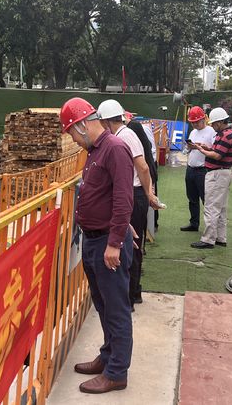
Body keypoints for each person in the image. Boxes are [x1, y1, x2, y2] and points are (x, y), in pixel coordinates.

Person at [60, 97, 134, 394]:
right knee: (103, 305)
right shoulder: (95, 150)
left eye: (71, 133)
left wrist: (115, 242)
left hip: (107, 242)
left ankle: (117, 372)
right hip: (94, 239)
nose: (73, 140)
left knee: (116, 308)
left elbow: (123, 198)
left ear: (81, 125)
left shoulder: (114, 148)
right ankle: (108, 356)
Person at [97, 100, 160, 310]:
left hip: (133, 193)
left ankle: (129, 297)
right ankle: (133, 293)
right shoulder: (124, 135)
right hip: (135, 193)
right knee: (132, 244)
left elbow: (143, 167)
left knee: (129, 246)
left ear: (106, 121)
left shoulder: (124, 137)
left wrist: (148, 193)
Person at [191, 107, 232, 249]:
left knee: (211, 207)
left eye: (213, 123)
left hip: (217, 174)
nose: (212, 126)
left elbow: (217, 156)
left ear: (219, 122)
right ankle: (220, 238)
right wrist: (207, 148)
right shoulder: (227, 134)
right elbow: (218, 151)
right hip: (223, 173)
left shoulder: (224, 136)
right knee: (221, 208)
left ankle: (208, 239)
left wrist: (201, 150)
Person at [181, 106, 217, 232]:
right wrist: (189, 147)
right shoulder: (193, 132)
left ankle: (210, 226)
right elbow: (185, 151)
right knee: (192, 198)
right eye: (193, 122)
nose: (195, 124)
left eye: (196, 122)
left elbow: (215, 150)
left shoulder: (211, 131)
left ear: (203, 119)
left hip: (203, 170)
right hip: (191, 168)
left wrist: (203, 147)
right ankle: (194, 223)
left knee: (206, 199)